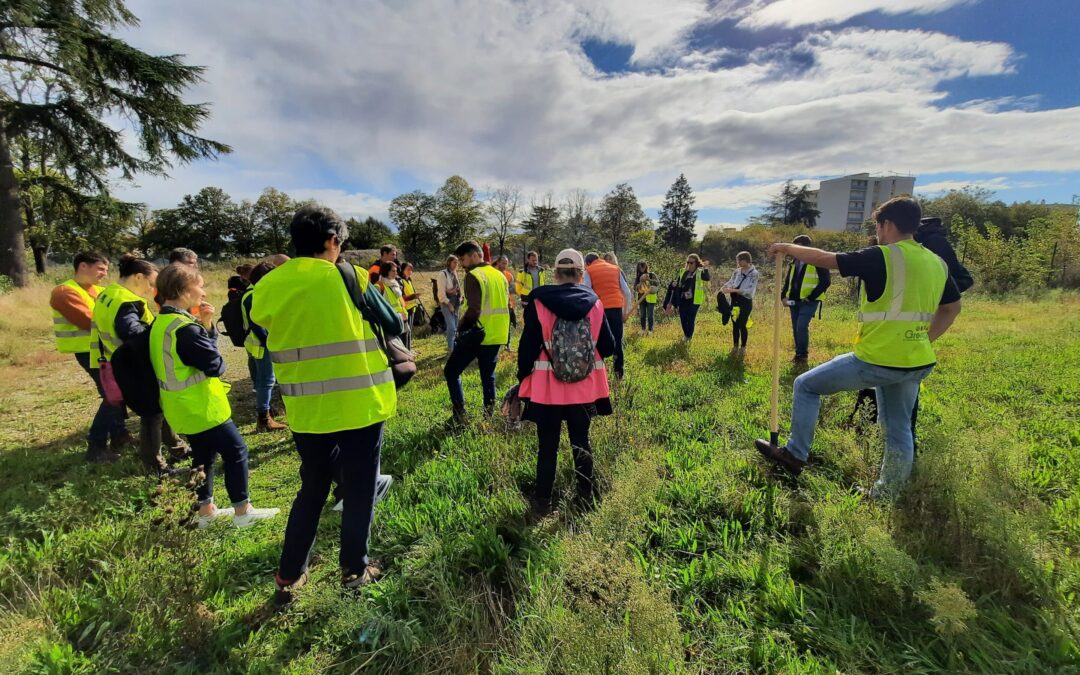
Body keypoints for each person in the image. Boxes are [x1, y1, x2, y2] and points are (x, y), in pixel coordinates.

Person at [755, 197, 962, 499]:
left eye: (878, 227)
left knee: (806, 385)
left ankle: (794, 454)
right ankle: (885, 494)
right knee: (898, 429)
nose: (877, 233)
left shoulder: (884, 256)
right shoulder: (936, 262)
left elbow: (828, 259)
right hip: (914, 361)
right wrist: (922, 340)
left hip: (876, 359)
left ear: (887, 225)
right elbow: (952, 309)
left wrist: (788, 249)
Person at [251, 205, 401, 602]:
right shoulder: (346, 275)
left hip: (305, 409)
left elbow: (260, 331)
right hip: (359, 402)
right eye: (341, 243)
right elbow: (394, 322)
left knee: (312, 487)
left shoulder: (267, 285)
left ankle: (288, 575)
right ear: (333, 240)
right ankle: (355, 569)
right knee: (359, 486)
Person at [151, 263, 280, 528]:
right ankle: (243, 511)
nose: (203, 292)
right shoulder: (185, 328)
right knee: (237, 452)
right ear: (182, 291)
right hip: (204, 407)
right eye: (199, 286)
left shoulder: (163, 322)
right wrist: (207, 333)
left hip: (181, 408)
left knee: (203, 458)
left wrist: (206, 325)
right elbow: (215, 365)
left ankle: (205, 510)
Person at [517, 249, 615, 518]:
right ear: (582, 274)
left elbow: (527, 348)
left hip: (547, 391)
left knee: (547, 446)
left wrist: (521, 378)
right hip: (583, 390)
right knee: (581, 441)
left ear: (555, 273)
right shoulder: (595, 302)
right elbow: (608, 347)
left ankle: (542, 504)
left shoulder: (538, 301)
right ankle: (585, 497)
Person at [91, 254, 189, 474]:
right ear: (138, 277)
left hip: (117, 360)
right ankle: (155, 466)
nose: (151, 290)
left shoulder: (108, 294)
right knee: (152, 414)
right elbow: (132, 331)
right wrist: (157, 333)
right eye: (151, 284)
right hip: (135, 365)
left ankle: (177, 448)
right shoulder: (127, 302)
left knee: (159, 408)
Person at [51, 251, 130, 462]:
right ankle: (96, 446)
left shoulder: (98, 291)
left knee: (115, 393)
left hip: (104, 349)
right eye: (100, 269)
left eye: (106, 269)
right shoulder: (64, 292)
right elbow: (89, 321)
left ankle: (120, 435)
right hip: (89, 352)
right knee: (112, 395)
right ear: (83, 266)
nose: (104, 274)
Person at [444, 240, 510, 423]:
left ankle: (459, 416)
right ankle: (488, 417)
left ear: (474, 255)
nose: (462, 263)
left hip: (479, 333)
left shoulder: (474, 275)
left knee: (451, 371)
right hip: (497, 332)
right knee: (488, 376)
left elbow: (474, 310)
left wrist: (460, 328)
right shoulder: (499, 275)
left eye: (463, 259)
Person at [242, 262, 287, 432]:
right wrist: (271, 342)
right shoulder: (254, 295)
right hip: (261, 345)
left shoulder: (250, 292)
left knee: (261, 380)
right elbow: (257, 325)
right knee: (267, 381)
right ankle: (264, 419)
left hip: (254, 344)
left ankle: (266, 411)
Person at [782, 235, 831, 365]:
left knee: (801, 326)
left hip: (809, 301)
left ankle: (803, 356)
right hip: (794, 301)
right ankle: (798, 355)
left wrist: (811, 297)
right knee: (795, 327)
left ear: (806, 246)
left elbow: (826, 281)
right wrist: (783, 296)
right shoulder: (794, 262)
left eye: (797, 247)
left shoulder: (818, 261)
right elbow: (788, 280)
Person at [584, 252, 632, 378]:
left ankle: (600, 375)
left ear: (587, 263)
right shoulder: (616, 269)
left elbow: (586, 292)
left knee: (599, 342)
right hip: (617, 309)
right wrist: (625, 312)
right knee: (617, 341)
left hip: (600, 311)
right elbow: (627, 292)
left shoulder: (589, 270)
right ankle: (619, 374)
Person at [721, 252, 759, 353]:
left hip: (745, 302)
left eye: (739, 260)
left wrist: (734, 290)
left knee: (742, 324)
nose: (737, 262)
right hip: (735, 301)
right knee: (735, 324)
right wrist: (724, 287)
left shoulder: (754, 273)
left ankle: (743, 347)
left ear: (745, 260)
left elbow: (750, 291)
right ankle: (735, 346)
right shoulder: (737, 272)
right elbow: (731, 281)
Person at [671, 254, 710, 343]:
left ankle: (688, 337)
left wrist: (706, 268)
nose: (689, 264)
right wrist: (674, 284)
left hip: (695, 300)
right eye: (688, 262)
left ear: (696, 263)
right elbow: (678, 283)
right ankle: (686, 335)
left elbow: (707, 278)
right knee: (683, 318)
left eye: (691, 262)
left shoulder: (700, 272)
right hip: (683, 299)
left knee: (690, 318)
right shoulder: (683, 271)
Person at [376, 261, 409, 348]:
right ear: (386, 271)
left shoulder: (396, 284)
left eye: (396, 271)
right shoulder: (379, 286)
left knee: (405, 345)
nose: (396, 273)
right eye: (393, 271)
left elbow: (400, 302)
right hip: (391, 321)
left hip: (402, 318)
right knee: (395, 346)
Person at [439, 255, 462, 352]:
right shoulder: (443, 274)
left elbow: (458, 288)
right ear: (449, 263)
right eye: (454, 262)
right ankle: (451, 349)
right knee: (452, 327)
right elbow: (441, 293)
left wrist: (460, 297)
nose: (456, 264)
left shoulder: (454, 273)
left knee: (456, 327)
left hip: (456, 302)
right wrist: (449, 304)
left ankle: (454, 347)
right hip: (447, 303)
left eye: (457, 262)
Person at [494, 255, 518, 345]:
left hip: (507, 304)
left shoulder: (509, 275)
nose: (504, 265)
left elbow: (512, 291)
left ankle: (507, 344)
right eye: (503, 263)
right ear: (498, 262)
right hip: (495, 304)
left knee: (507, 324)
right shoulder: (493, 274)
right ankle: (496, 342)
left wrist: (512, 304)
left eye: (506, 263)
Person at [634, 261, 660, 335]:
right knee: (642, 315)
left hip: (651, 298)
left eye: (643, 266)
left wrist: (649, 280)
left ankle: (650, 330)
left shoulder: (652, 275)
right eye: (640, 267)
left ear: (646, 267)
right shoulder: (638, 277)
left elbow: (657, 283)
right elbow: (635, 288)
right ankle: (643, 329)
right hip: (641, 298)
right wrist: (640, 283)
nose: (641, 268)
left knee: (650, 315)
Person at [400, 262, 421, 351]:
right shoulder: (401, 281)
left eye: (411, 269)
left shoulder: (409, 280)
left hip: (412, 308)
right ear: (402, 270)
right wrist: (413, 296)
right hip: (406, 309)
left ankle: (409, 349)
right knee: (406, 332)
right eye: (408, 269)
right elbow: (402, 297)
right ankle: (406, 350)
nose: (410, 271)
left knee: (409, 331)